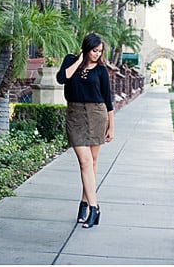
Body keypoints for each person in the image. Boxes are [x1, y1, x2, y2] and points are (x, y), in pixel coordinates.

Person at [57, 32, 114, 229]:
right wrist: (80, 60)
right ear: (86, 48)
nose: (97, 54)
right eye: (94, 50)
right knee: (85, 160)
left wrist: (111, 127)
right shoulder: (70, 61)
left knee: (91, 162)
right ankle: (95, 207)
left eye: (100, 51)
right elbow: (61, 79)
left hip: (97, 114)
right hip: (75, 115)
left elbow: (108, 100)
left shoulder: (101, 70)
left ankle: (85, 204)